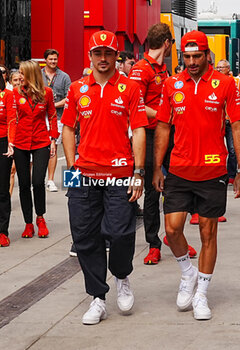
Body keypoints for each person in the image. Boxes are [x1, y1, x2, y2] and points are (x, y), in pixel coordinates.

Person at [153, 30, 240, 320]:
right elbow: (163, 128)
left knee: (208, 232)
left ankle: (202, 294)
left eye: (197, 56)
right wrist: (157, 166)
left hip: (212, 169)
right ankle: (187, 273)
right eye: (187, 56)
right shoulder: (171, 84)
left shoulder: (226, 84)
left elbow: (237, 126)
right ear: (181, 56)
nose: (192, 62)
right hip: (179, 169)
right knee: (171, 230)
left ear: (207, 54)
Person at [62, 30, 148, 325]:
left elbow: (138, 130)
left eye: (108, 53)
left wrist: (138, 172)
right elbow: (68, 129)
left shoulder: (130, 88)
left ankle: (122, 275)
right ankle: (97, 297)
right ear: (90, 56)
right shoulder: (76, 89)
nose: (103, 58)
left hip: (120, 173)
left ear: (116, 56)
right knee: (84, 237)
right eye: (97, 53)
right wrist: (72, 167)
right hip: (84, 174)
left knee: (122, 233)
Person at [129, 23, 197, 264]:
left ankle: (173, 234)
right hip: (147, 136)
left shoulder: (164, 70)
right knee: (151, 191)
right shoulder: (141, 69)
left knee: (178, 185)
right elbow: (134, 104)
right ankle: (153, 243)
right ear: (167, 43)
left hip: (168, 134)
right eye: (172, 45)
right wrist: (161, 116)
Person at [12, 60, 59, 239]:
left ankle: (40, 218)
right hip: (20, 142)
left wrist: (53, 139)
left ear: (31, 74)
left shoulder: (46, 93)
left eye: (22, 73)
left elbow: (53, 116)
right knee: (24, 184)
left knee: (38, 181)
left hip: (41, 141)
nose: (19, 77)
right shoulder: (14, 94)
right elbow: (10, 118)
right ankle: (28, 223)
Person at [42, 49, 71, 192]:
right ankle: (37, 178)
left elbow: (69, 98)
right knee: (40, 148)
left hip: (58, 117)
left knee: (53, 148)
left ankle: (51, 180)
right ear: (45, 60)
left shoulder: (64, 77)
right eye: (50, 59)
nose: (53, 62)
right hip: (39, 117)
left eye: (55, 59)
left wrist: (53, 105)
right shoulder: (38, 75)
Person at [0, 71, 16, 247]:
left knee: (2, 189)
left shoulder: (8, 95)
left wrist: (11, 143)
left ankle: (2, 231)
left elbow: (12, 119)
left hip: (3, 142)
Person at [8, 70, 21, 195]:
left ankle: (8, 199)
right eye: (15, 80)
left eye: (19, 80)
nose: (17, 83)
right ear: (11, 82)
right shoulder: (7, 95)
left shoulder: (26, 96)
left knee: (13, 170)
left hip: (21, 136)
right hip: (8, 135)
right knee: (8, 170)